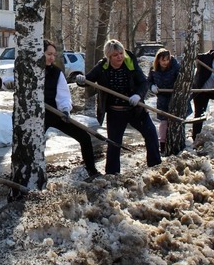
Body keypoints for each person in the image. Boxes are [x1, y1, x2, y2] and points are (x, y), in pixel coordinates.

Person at [76, 39, 161, 173]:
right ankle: (112, 175)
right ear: (109, 57)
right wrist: (81, 80)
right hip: (115, 113)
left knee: (151, 134)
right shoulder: (102, 66)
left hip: (135, 110)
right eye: (115, 55)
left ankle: (156, 168)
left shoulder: (130, 63)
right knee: (114, 145)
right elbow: (88, 80)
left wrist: (138, 95)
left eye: (121, 53)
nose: (120, 57)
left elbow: (144, 83)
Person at [42, 39, 99, 177]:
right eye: (49, 54)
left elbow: (63, 94)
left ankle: (92, 171)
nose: (52, 57)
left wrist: (65, 110)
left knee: (84, 137)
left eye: (53, 55)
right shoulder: (30, 73)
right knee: (35, 144)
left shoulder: (56, 73)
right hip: (37, 116)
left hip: (55, 113)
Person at [147, 48, 184, 153]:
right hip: (162, 98)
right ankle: (162, 144)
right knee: (163, 122)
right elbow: (148, 81)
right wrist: (152, 86)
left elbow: (181, 80)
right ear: (158, 60)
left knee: (177, 121)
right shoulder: (154, 69)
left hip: (175, 98)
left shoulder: (175, 67)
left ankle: (179, 144)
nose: (165, 62)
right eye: (163, 60)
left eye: (167, 60)